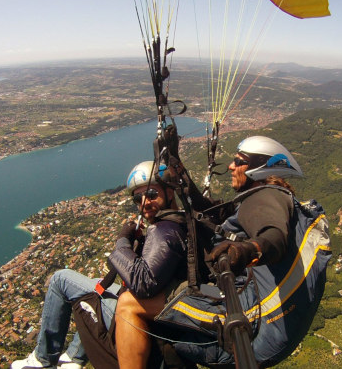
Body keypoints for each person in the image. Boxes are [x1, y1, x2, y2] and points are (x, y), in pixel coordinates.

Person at [116, 135, 312, 368]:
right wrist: (179, 169)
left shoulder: (264, 197)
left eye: (239, 161)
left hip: (249, 312)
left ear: (259, 168)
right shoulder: (252, 201)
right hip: (257, 308)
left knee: (129, 304)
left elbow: (274, 238)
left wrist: (246, 250)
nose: (231, 165)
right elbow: (209, 212)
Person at [11, 161, 188, 369]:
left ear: (169, 192)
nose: (144, 203)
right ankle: (73, 358)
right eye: (138, 198)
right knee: (97, 285)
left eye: (151, 194)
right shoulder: (180, 221)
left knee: (61, 279)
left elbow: (143, 283)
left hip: (146, 315)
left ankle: (42, 360)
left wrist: (122, 241)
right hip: (158, 308)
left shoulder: (164, 231)